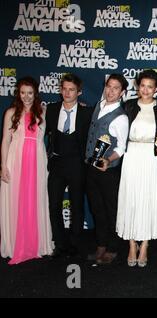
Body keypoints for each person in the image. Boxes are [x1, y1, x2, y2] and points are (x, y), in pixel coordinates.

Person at [0, 77, 53, 264]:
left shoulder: (44, 112)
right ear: (18, 93)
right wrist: (3, 166)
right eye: (23, 93)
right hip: (15, 160)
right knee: (15, 201)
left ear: (35, 93)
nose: (26, 97)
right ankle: (14, 244)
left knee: (34, 200)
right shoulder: (11, 113)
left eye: (30, 93)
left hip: (37, 161)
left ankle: (37, 244)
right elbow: (5, 141)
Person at [116, 70, 157, 268]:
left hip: (151, 158)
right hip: (131, 156)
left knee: (148, 199)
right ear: (137, 86)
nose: (145, 90)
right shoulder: (127, 106)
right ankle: (131, 244)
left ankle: (144, 245)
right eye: (142, 85)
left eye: (150, 86)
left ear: (156, 89)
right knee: (131, 199)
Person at [45, 73, 93, 258]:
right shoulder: (51, 109)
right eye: (64, 88)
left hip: (77, 164)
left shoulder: (86, 112)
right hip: (57, 163)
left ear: (79, 92)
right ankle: (60, 242)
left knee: (77, 205)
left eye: (71, 89)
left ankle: (75, 242)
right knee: (54, 204)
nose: (67, 92)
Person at [85, 74, 129, 264]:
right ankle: (100, 245)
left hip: (108, 171)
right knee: (97, 209)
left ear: (122, 92)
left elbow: (121, 147)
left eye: (115, 88)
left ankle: (112, 247)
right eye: (108, 87)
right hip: (90, 167)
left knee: (111, 209)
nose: (110, 91)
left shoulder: (121, 117)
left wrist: (107, 160)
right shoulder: (98, 105)